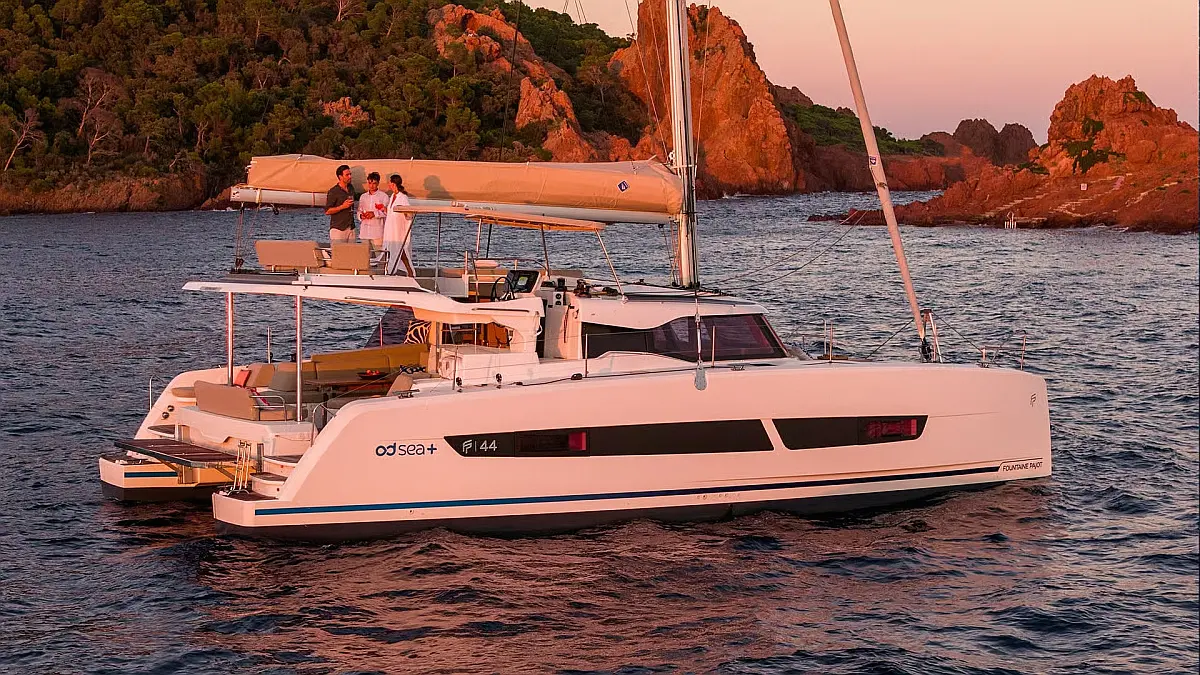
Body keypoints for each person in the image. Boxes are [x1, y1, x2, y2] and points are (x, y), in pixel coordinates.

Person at [383, 174, 415, 275]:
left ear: (393, 184)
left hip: (398, 229)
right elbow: (390, 212)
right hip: (390, 228)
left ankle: (410, 272)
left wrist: (404, 211)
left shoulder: (403, 197)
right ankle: (390, 271)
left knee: (401, 250)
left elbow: (409, 214)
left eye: (389, 183)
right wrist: (383, 209)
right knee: (390, 249)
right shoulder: (392, 196)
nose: (388, 185)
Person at [324, 164, 356, 243]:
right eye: (347, 175)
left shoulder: (351, 188)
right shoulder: (333, 191)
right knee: (339, 250)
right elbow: (327, 211)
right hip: (338, 228)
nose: (350, 176)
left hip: (351, 227)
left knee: (352, 250)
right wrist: (342, 206)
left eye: (350, 174)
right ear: (340, 177)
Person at [357, 172, 387, 249]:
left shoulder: (383, 196)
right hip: (364, 232)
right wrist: (361, 216)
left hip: (377, 233)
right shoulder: (363, 196)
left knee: (379, 255)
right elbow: (359, 211)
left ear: (378, 183)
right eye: (370, 183)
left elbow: (386, 212)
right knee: (364, 255)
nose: (371, 186)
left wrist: (374, 214)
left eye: (374, 183)